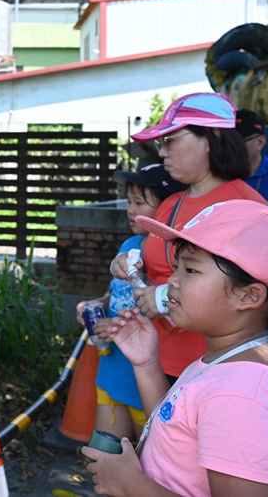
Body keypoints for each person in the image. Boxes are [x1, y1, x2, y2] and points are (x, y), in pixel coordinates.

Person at [83, 200, 268, 496]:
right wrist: (146, 364)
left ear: (249, 296)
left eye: (191, 270)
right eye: (176, 267)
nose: (171, 281)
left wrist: (130, 484)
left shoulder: (241, 394)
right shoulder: (228, 360)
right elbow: (176, 429)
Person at [113, 92, 266, 382]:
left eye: (170, 141)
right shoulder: (171, 203)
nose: (161, 153)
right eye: (160, 143)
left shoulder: (246, 206)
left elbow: (256, 294)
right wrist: (128, 261)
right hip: (157, 360)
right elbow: (153, 260)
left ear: (212, 139)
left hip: (218, 368)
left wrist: (164, 295)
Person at [76, 162, 187, 440]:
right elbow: (116, 293)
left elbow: (171, 315)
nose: (131, 209)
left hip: (143, 376)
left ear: (168, 207)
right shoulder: (128, 246)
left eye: (140, 202)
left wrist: (117, 325)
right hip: (111, 368)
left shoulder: (175, 256)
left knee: (145, 459)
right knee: (104, 457)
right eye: (129, 201)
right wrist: (99, 304)